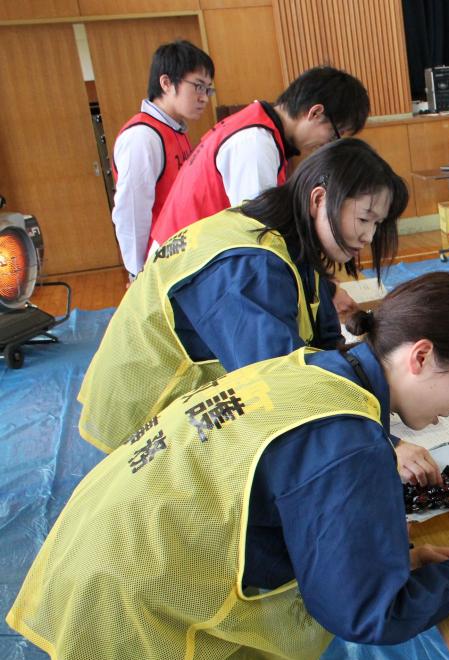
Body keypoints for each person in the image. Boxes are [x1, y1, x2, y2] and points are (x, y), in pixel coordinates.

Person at [8, 272, 449, 660]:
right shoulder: (350, 437)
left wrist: (395, 558)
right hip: (133, 611)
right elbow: (366, 611)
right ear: (422, 356)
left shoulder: (315, 368)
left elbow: (297, 512)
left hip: (105, 546)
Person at [78, 137, 406, 456]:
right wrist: (381, 445)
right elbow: (280, 386)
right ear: (318, 199)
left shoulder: (295, 246)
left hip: (188, 408)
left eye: (377, 224)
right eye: (364, 219)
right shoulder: (251, 267)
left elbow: (323, 346)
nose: (368, 236)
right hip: (143, 420)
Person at [150, 65, 370, 250]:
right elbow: (260, 235)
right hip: (181, 265)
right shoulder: (255, 143)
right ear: (315, 113)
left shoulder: (261, 128)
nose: (327, 145)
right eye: (333, 135)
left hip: (188, 253)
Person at [110, 39, 214, 283]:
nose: (204, 98)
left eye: (208, 89)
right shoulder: (143, 136)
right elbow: (131, 212)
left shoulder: (176, 130)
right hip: (158, 267)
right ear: (166, 83)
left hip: (180, 258)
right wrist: (137, 274)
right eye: (198, 87)